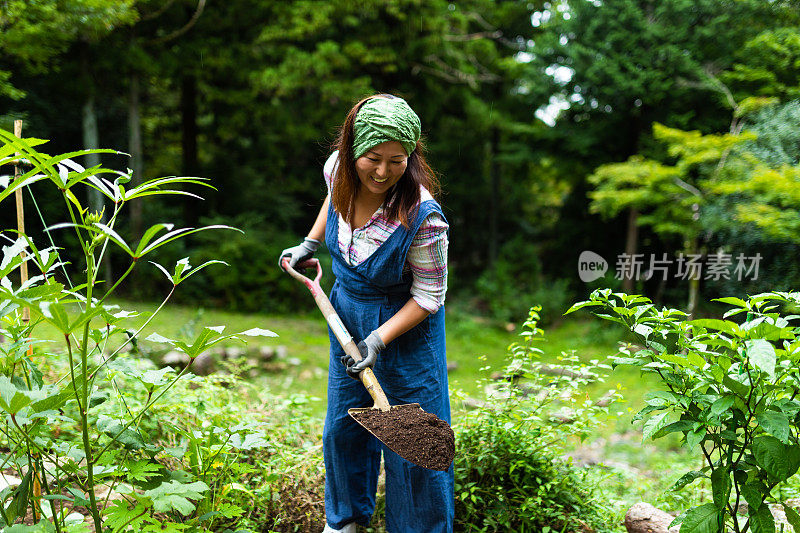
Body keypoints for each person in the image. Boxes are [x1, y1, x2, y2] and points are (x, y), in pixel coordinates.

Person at [279, 94, 453, 533]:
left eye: (397, 160)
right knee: (343, 431)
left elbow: (431, 295)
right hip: (348, 310)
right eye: (373, 158)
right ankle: (346, 523)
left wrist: (377, 339)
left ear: (410, 157)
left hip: (406, 329)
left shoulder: (422, 217)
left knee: (413, 449)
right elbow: (333, 199)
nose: (382, 172)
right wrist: (310, 243)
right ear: (352, 148)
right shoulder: (338, 168)